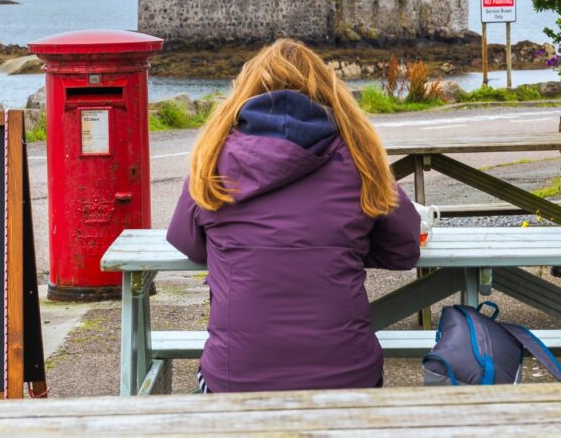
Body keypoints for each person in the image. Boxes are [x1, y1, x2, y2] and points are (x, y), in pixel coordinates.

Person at [166, 38, 420, 393]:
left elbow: (187, 241)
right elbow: (404, 249)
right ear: (330, 91)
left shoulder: (212, 159)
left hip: (236, 378)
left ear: (245, 90)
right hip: (348, 377)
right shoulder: (361, 160)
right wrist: (346, 243)